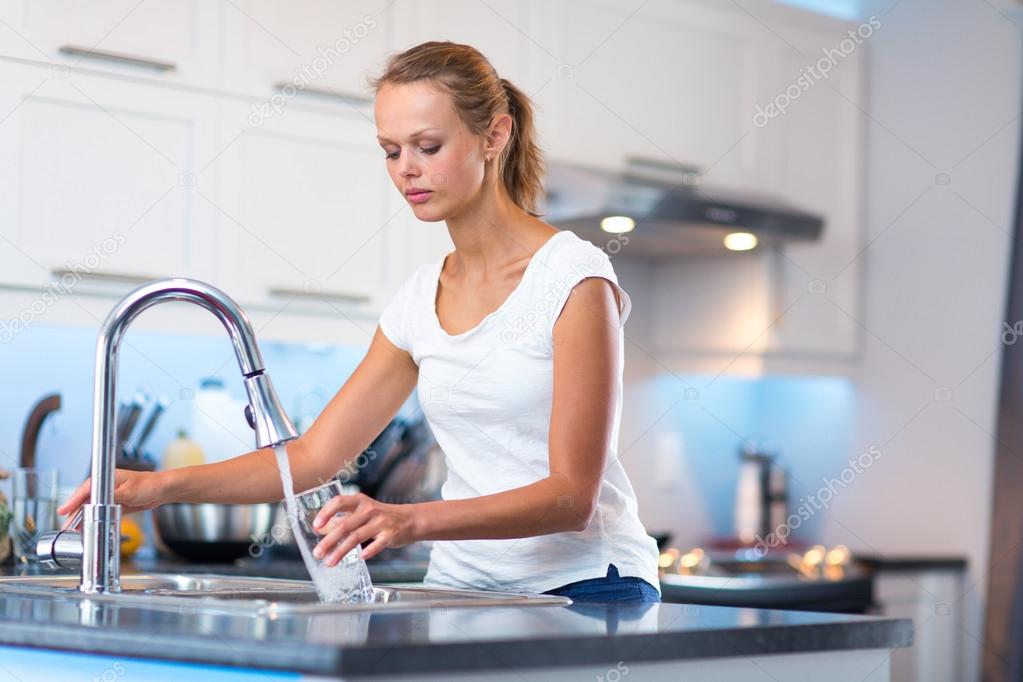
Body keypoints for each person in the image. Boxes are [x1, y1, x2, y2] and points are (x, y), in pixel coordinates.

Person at [60, 41, 661, 604]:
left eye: (428, 146)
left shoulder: (572, 279)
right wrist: (156, 486)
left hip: (586, 587)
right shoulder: (419, 299)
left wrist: (409, 519)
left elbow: (570, 497)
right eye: (391, 151)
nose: (407, 170)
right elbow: (317, 455)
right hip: (460, 586)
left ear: (493, 136)